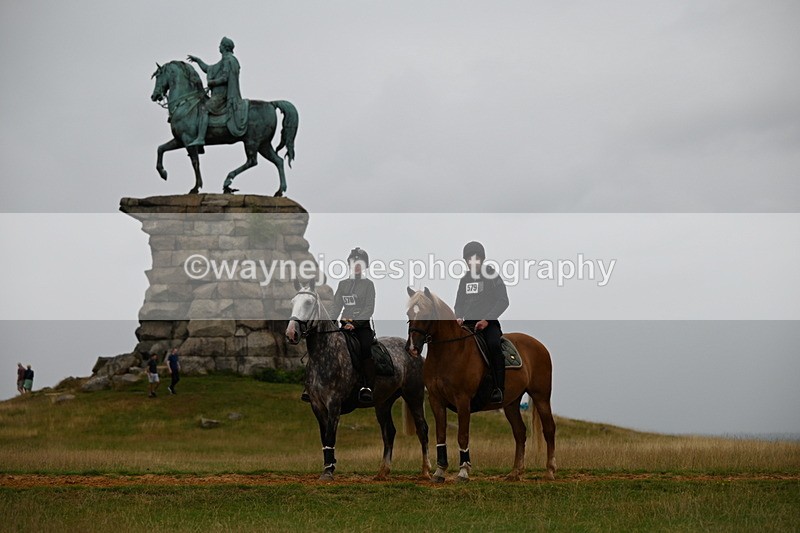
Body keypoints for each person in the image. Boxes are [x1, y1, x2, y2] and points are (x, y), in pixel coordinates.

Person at [454, 241, 509, 404]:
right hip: (468, 325)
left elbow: (503, 301)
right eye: (468, 259)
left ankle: (498, 388)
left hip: (488, 325)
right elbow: (459, 303)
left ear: (482, 259)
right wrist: (458, 316)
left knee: (493, 345)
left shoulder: (492, 275)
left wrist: (486, 320)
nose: (472, 262)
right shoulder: (464, 279)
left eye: (475, 258)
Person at [186, 36, 249, 147]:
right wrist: (198, 61)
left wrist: (212, 83)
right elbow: (208, 68)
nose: (218, 46)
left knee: (204, 109)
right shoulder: (225, 60)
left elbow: (225, 78)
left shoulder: (228, 60)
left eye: (220, 44)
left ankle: (200, 138)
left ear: (224, 47)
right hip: (218, 95)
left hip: (222, 96)